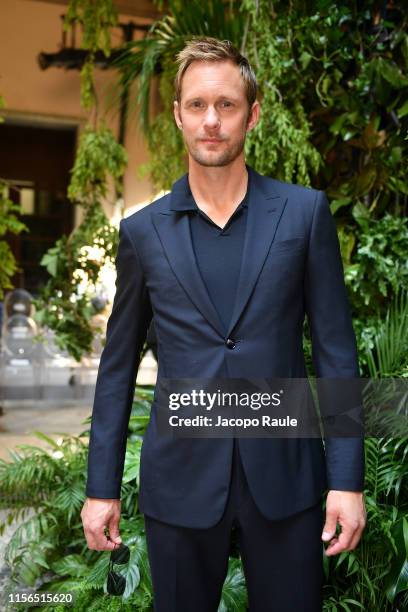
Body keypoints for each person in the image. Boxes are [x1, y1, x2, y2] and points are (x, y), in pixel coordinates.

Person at [81, 37, 366, 611]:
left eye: (227, 105)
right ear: (179, 116)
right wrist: (100, 488)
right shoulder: (142, 232)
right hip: (180, 481)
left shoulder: (304, 214)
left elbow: (336, 353)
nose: (211, 121)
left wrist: (347, 480)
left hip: (286, 480)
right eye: (196, 105)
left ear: (252, 114)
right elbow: (116, 371)